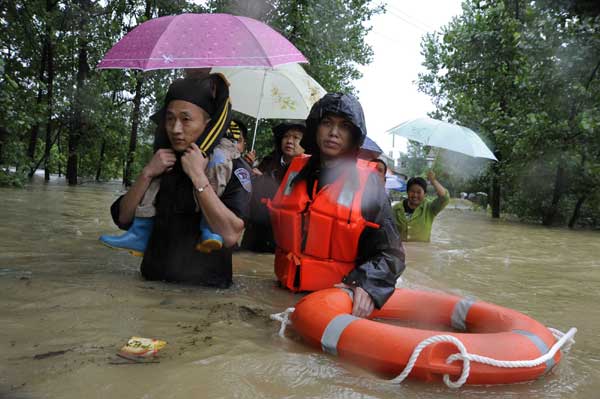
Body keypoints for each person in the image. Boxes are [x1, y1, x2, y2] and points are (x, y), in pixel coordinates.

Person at [267, 93, 405, 317]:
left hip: (334, 301)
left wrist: (365, 283)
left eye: (344, 126)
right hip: (282, 293)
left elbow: (392, 254)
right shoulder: (294, 172)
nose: (333, 132)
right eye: (327, 123)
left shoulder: (369, 183)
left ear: (354, 135)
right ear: (315, 128)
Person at [106, 75, 251, 287]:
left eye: (186, 119)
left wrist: (198, 176)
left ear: (207, 123)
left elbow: (230, 235)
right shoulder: (161, 161)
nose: (175, 129)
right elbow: (123, 218)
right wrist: (146, 173)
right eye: (170, 118)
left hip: (206, 295)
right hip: (149, 290)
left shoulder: (232, 167)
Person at [241, 122, 305, 252]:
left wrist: (265, 179)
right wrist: (246, 166)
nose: (290, 141)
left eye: (296, 138)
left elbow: (290, 197)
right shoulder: (268, 161)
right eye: (286, 136)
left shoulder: (307, 170)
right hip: (256, 228)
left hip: (283, 233)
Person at [392, 170, 449, 242]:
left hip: (423, 251)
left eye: (419, 192)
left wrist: (433, 181)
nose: (415, 195)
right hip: (400, 251)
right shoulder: (396, 208)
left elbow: (445, 198)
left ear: (425, 194)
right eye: (412, 191)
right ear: (407, 192)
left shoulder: (430, 208)